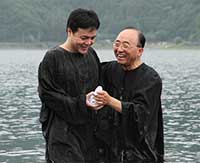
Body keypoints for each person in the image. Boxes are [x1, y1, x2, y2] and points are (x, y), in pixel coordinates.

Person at [38, 8, 102, 163]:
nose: (88, 42)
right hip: (62, 133)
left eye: (92, 38)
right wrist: (82, 102)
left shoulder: (91, 54)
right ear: (69, 31)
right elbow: (48, 95)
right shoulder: (52, 58)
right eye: (84, 38)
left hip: (89, 131)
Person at [93, 27, 164, 162]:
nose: (119, 49)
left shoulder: (150, 79)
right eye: (117, 44)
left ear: (139, 51)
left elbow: (141, 115)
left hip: (140, 154)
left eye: (126, 45)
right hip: (110, 152)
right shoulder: (109, 70)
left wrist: (109, 101)